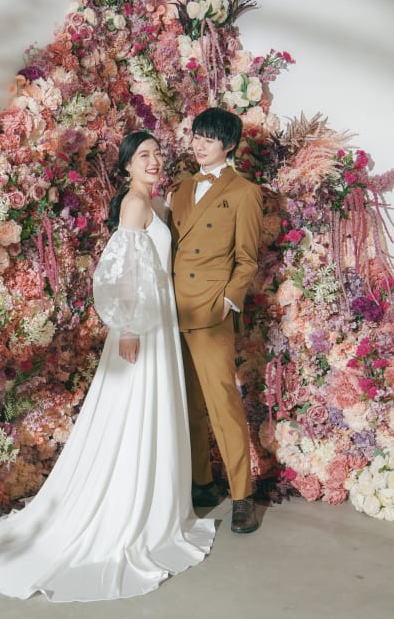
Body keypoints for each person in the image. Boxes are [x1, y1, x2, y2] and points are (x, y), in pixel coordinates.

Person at [0, 132, 215, 601]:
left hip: (160, 318)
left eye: (156, 154)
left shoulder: (155, 202)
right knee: (132, 411)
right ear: (127, 166)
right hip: (142, 326)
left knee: (146, 411)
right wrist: (128, 327)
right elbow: (123, 273)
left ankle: (155, 503)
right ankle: (128, 509)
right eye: (143, 156)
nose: (153, 162)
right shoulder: (134, 205)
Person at [169, 107, 263, 534]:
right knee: (187, 402)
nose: (199, 145)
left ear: (227, 144)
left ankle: (243, 495)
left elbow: (246, 259)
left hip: (210, 309)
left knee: (222, 403)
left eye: (208, 138)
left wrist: (229, 299)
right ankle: (203, 483)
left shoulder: (244, 192)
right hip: (174, 308)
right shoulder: (182, 188)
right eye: (196, 136)